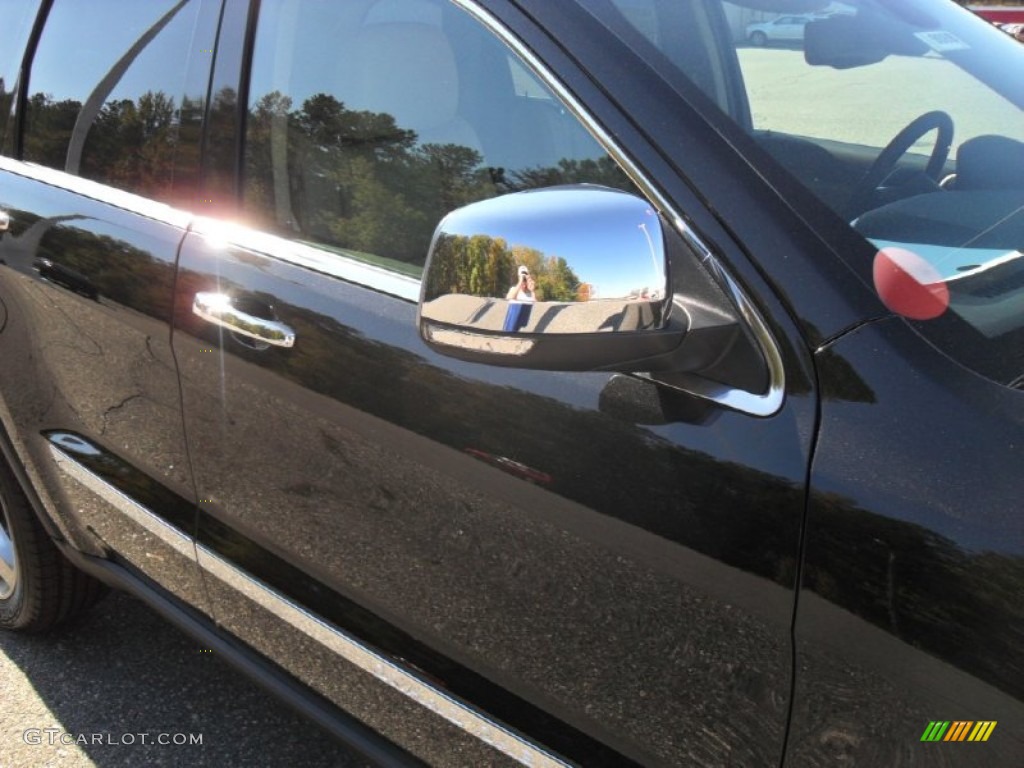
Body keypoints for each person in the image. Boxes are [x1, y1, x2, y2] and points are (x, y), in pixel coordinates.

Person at [502, 266, 537, 332]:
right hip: (512, 324)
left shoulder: (531, 293)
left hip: (525, 325)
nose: (524, 282)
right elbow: (509, 299)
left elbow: (537, 308)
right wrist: (520, 281)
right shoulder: (514, 290)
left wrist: (532, 291)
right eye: (522, 279)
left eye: (525, 280)